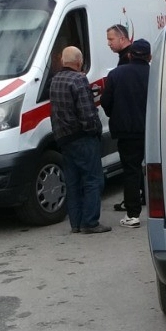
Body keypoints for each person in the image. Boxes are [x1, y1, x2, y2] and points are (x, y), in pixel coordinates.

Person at [50, 46, 109, 234]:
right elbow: (87, 113)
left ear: (62, 61)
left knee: (73, 181)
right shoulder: (79, 80)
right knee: (93, 180)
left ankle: (75, 223)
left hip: (64, 138)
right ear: (79, 61)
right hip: (82, 137)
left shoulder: (55, 80)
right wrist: (95, 130)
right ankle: (90, 223)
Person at [101, 39, 150, 228]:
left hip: (127, 132)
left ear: (130, 55)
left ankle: (133, 215)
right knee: (159, 170)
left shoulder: (115, 75)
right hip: (152, 130)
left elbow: (106, 102)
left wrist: (116, 114)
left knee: (131, 171)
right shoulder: (155, 73)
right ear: (149, 56)